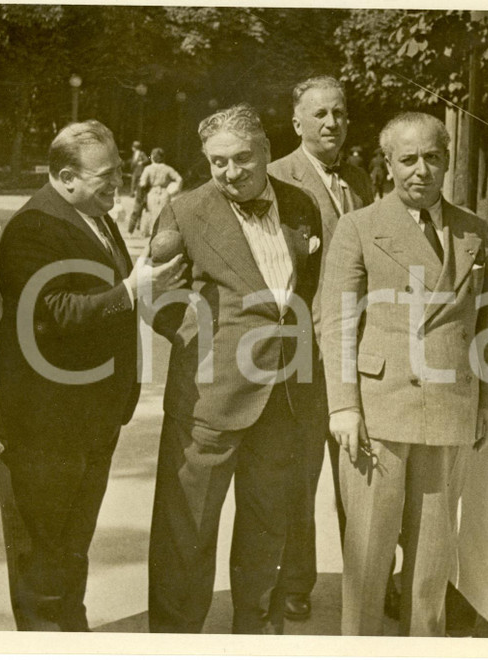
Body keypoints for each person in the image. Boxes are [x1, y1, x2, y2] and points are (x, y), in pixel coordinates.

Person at [0, 121, 185, 631]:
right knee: (42, 554)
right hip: (46, 424)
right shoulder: (32, 226)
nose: (120, 181)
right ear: (65, 177)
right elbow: (53, 312)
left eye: (121, 167)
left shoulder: (93, 214)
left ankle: (71, 634)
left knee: (72, 545)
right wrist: (132, 288)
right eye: (107, 174)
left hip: (94, 416)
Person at [321, 112, 488, 636]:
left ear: (447, 161)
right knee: (368, 556)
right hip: (380, 410)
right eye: (407, 159)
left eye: (432, 157)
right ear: (388, 164)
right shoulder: (358, 226)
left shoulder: (475, 230)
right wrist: (343, 406)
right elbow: (333, 321)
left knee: (433, 557)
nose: (420, 170)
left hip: (449, 407)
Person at [147, 103, 323, 635]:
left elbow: (304, 286)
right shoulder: (184, 212)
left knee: (269, 522)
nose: (230, 172)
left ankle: (256, 630)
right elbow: (157, 299)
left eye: (243, 159)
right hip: (210, 398)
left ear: (267, 153)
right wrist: (209, 345)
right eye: (217, 162)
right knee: (188, 531)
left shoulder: (301, 205)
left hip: (283, 398)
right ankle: (176, 640)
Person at [266, 75, 372, 621]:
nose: (332, 123)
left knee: (360, 474)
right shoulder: (274, 178)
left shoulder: (359, 179)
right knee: (300, 472)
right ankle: (295, 581)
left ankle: (367, 580)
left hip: (359, 349)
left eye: (340, 112)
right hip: (304, 352)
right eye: (321, 114)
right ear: (297, 123)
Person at [135, 147, 182, 237]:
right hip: (165, 194)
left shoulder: (148, 169)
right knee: (163, 216)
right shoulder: (168, 169)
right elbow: (179, 179)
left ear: (152, 157)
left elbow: (143, 183)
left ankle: (152, 236)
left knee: (152, 215)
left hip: (152, 193)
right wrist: (175, 190)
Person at [125, 140, 151, 234]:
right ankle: (132, 192)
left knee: (136, 185)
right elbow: (133, 162)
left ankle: (136, 225)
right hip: (135, 172)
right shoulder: (135, 154)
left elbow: (148, 159)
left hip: (139, 172)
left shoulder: (142, 153)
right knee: (133, 183)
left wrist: (142, 163)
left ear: (135, 147)